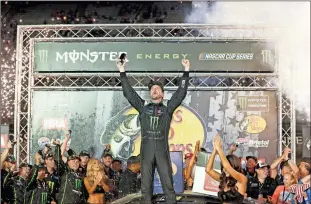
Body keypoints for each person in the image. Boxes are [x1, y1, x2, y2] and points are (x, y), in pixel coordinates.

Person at [117, 58, 190, 203]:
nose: (154, 90)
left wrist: (186, 71)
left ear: (162, 94)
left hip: (162, 151)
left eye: (158, 89)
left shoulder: (168, 108)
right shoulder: (143, 107)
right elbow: (129, 93)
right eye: (152, 89)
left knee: (168, 185)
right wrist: (122, 72)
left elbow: (181, 93)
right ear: (150, 94)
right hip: (147, 151)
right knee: (146, 187)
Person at [206, 134, 247, 204]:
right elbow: (208, 170)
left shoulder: (242, 179)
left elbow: (227, 168)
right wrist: (215, 151)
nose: (225, 170)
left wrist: (219, 149)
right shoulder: (224, 179)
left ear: (235, 167)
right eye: (223, 168)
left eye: (225, 168)